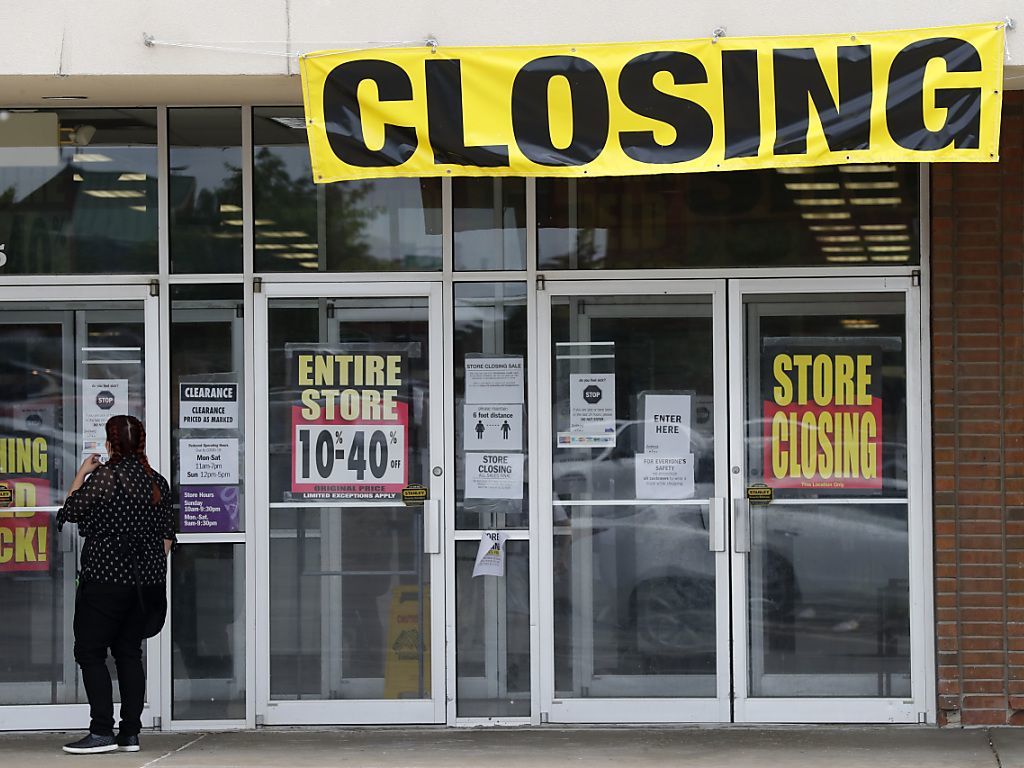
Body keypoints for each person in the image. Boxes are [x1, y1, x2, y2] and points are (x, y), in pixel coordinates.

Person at [56, 415, 174, 755]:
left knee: (90, 652)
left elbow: (71, 510)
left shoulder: (107, 477)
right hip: (145, 585)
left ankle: (101, 731)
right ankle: (130, 734)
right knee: (128, 654)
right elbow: (167, 539)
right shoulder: (157, 482)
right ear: (141, 443)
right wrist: (146, 565)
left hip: (105, 581)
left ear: (110, 444)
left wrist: (82, 472)